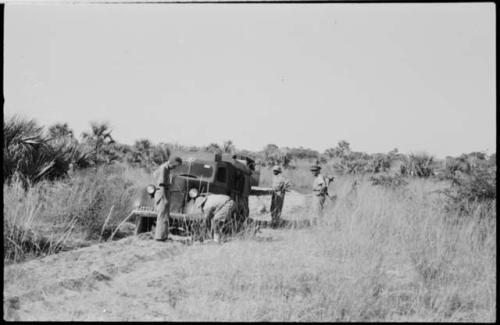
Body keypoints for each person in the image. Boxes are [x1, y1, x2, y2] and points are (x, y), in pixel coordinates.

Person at [152, 156, 183, 241]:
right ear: (171, 162)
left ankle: (163, 236)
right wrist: (165, 198)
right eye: (175, 165)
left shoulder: (167, 169)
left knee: (165, 216)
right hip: (162, 193)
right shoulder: (163, 169)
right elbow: (161, 184)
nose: (175, 167)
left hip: (165, 192)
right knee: (162, 215)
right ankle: (159, 237)